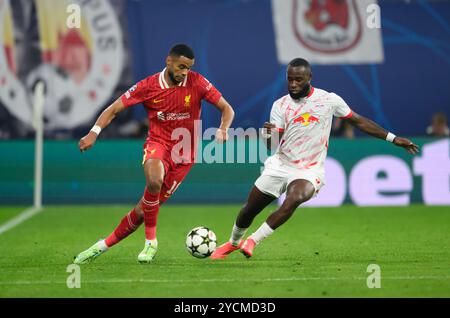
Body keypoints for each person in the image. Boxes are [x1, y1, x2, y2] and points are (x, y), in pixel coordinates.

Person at [211, 58, 419, 259]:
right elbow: (272, 145)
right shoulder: (280, 105)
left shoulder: (328, 100)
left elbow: (358, 121)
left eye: (298, 80)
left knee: (294, 199)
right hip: (281, 164)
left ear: (310, 77)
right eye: (290, 79)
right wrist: (268, 135)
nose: (293, 84)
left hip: (309, 170)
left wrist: (393, 138)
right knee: (250, 209)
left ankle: (253, 241)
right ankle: (233, 242)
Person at [74, 44, 235, 264]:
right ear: (168, 61)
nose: (184, 72)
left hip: (184, 156)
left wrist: (223, 128)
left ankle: (101, 246)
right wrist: (94, 132)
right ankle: (151, 242)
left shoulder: (197, 82)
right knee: (154, 179)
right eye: (181, 66)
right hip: (158, 143)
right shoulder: (148, 86)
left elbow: (227, 109)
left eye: (188, 68)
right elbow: (113, 109)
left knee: (143, 210)